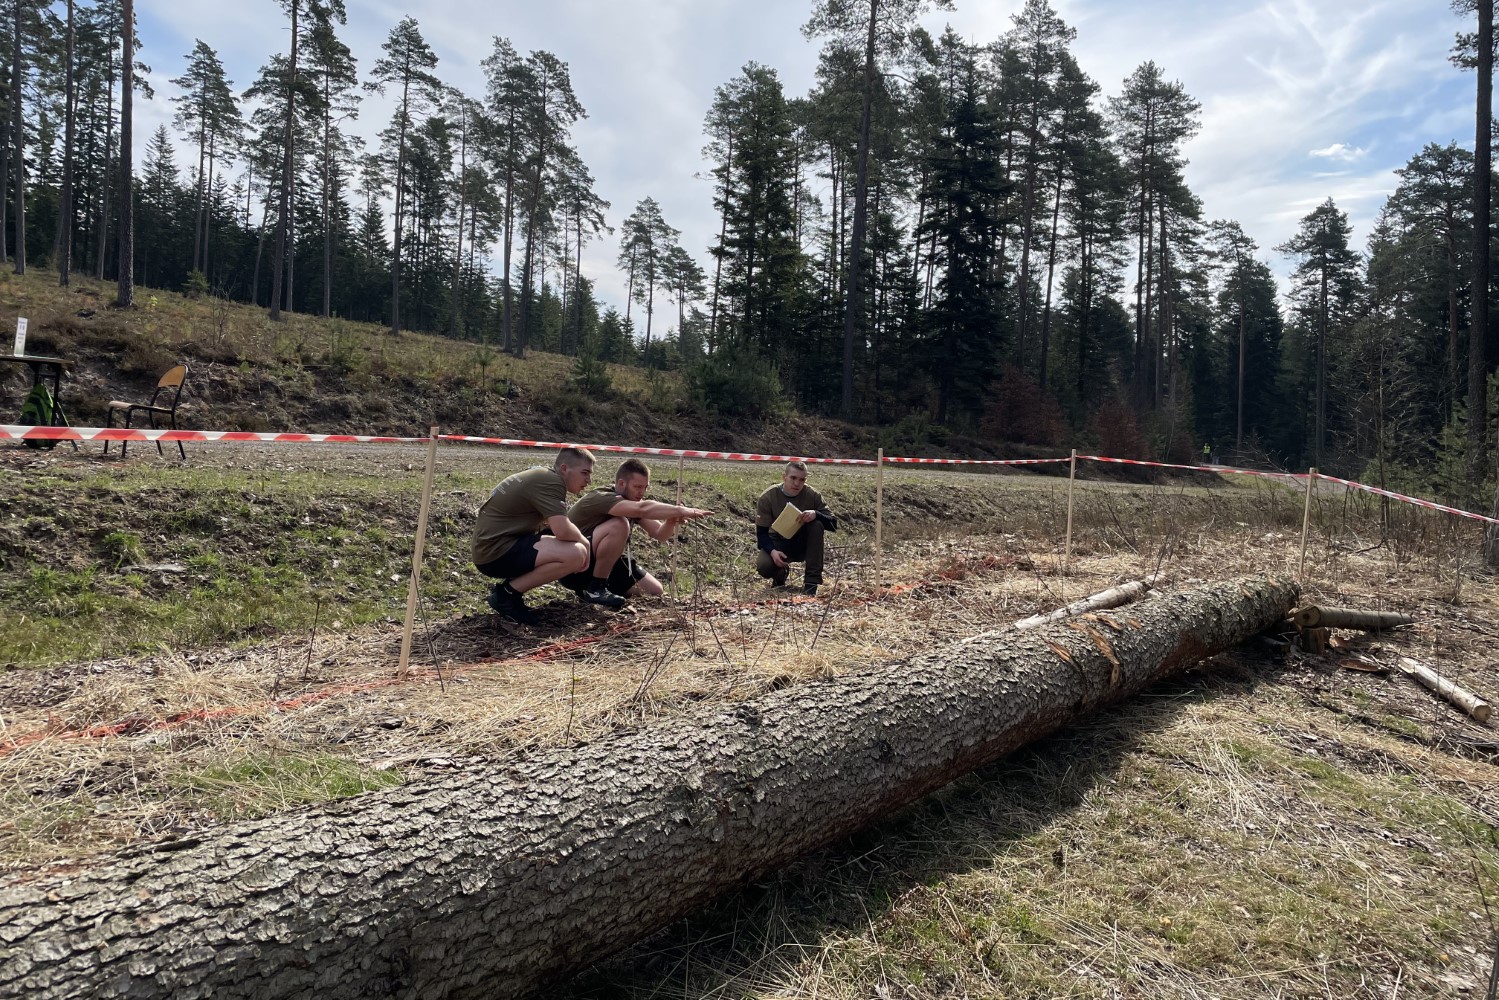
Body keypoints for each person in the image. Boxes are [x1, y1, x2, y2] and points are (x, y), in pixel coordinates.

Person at [471, 446, 611, 625]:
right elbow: (562, 529)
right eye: (585, 473)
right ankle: (506, 595)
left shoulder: (542, 475)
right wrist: (586, 543)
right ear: (564, 469)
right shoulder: (551, 482)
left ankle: (510, 592)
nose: (589, 480)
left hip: (493, 547)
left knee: (566, 545)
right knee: (575, 553)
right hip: (494, 552)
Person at [562, 457, 714, 602]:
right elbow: (643, 509)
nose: (642, 493)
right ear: (621, 483)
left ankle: (595, 591)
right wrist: (679, 510)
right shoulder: (603, 497)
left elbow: (660, 534)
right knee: (619, 524)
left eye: (645, 487)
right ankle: (595, 590)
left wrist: (671, 521)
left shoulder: (633, 503)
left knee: (655, 591)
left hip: (603, 561)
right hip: (574, 561)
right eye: (637, 487)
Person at [754, 460, 837, 596]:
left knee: (816, 525)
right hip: (778, 542)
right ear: (784, 477)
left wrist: (816, 514)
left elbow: (833, 523)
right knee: (764, 566)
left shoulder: (812, 495)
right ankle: (779, 574)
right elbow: (761, 534)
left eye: (802, 479)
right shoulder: (768, 497)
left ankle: (811, 584)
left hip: (804, 542)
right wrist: (772, 552)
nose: (797, 483)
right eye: (793, 478)